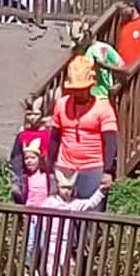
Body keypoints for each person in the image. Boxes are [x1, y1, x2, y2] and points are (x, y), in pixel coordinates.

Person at [49, 54, 118, 194]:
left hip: (93, 168)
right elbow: (54, 137)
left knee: (90, 206)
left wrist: (107, 171)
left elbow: (110, 142)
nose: (78, 93)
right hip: (65, 167)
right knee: (59, 207)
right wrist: (50, 166)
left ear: (90, 87)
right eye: (75, 89)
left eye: (82, 89)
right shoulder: (61, 104)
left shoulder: (103, 107)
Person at [10, 95, 51, 200]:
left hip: (44, 177)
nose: (32, 117)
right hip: (26, 178)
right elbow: (16, 157)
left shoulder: (48, 134)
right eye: (29, 114)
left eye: (36, 114)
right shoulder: (22, 135)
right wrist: (19, 174)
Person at [116, 3, 140, 68]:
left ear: (132, 7)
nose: (122, 13)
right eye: (120, 11)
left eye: (124, 9)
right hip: (124, 67)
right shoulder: (123, 26)